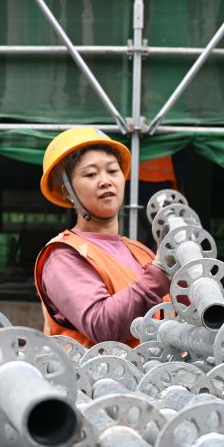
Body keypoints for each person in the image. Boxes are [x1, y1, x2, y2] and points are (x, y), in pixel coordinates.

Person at [33, 127, 170, 346]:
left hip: (152, 377)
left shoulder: (141, 252)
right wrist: (160, 274)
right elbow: (103, 325)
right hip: (92, 379)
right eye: (91, 174)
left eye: (112, 171)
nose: (105, 181)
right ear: (68, 192)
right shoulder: (64, 255)